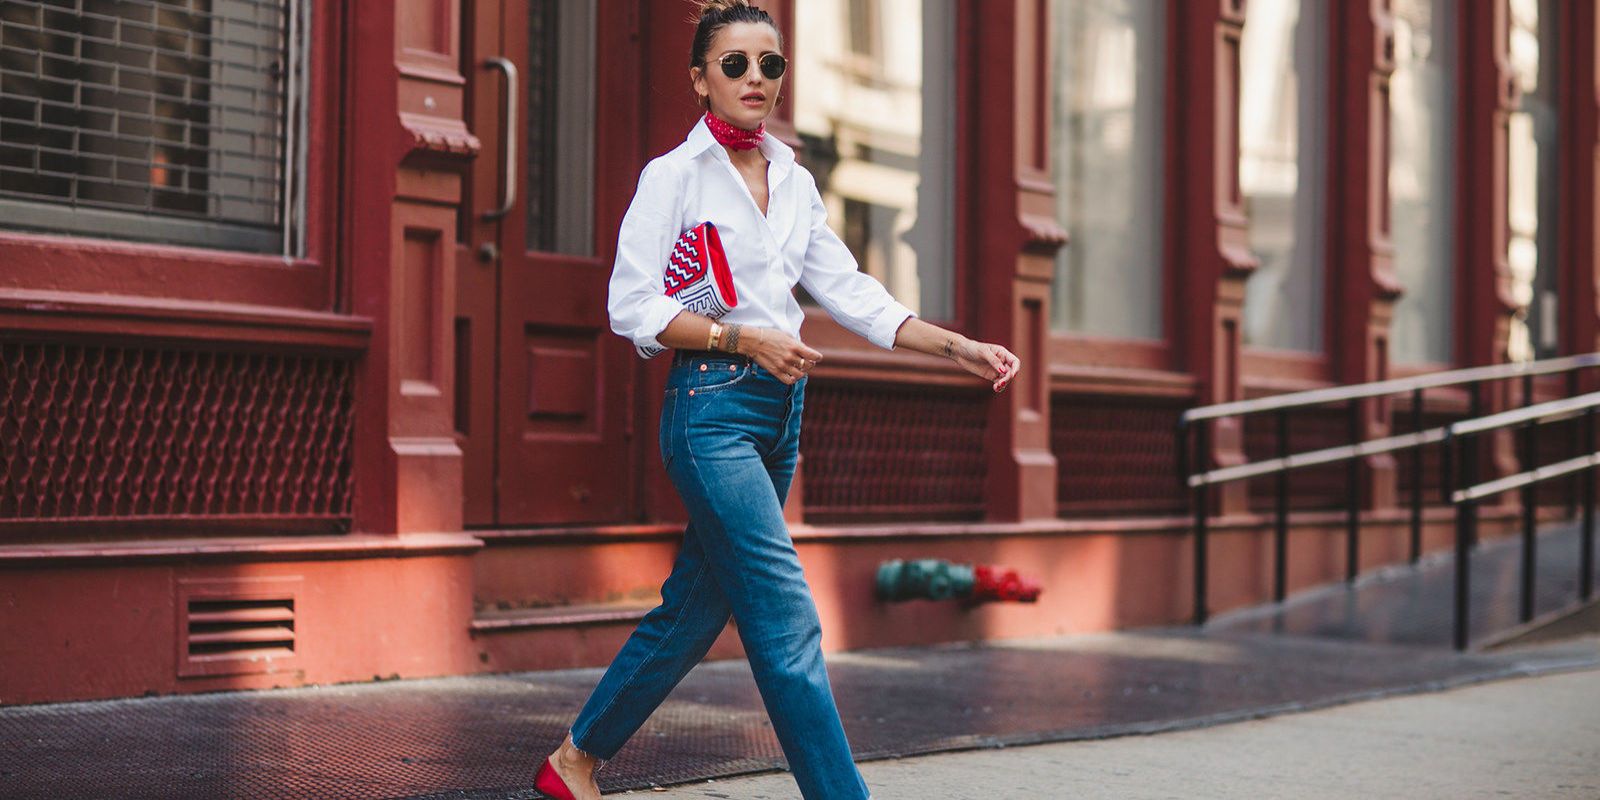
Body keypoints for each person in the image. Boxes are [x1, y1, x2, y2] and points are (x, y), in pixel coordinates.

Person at [532, 2, 1019, 798]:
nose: (756, 78)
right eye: (735, 64)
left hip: (780, 418)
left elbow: (849, 290)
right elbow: (631, 305)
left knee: (695, 607)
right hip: (710, 413)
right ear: (700, 79)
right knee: (786, 617)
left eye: (771, 64)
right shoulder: (673, 178)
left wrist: (953, 344)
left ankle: (575, 761)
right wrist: (741, 339)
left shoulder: (792, 176)